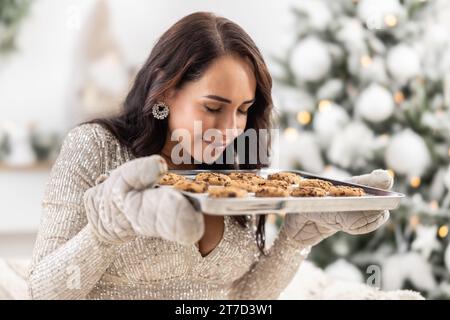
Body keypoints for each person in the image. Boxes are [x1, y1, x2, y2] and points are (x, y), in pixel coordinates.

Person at [28, 12, 393, 300]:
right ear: (165, 91)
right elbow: (42, 292)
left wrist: (297, 239)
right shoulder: (96, 148)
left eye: (242, 109)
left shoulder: (233, 173)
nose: (231, 129)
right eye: (213, 106)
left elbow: (243, 296)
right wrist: (104, 231)